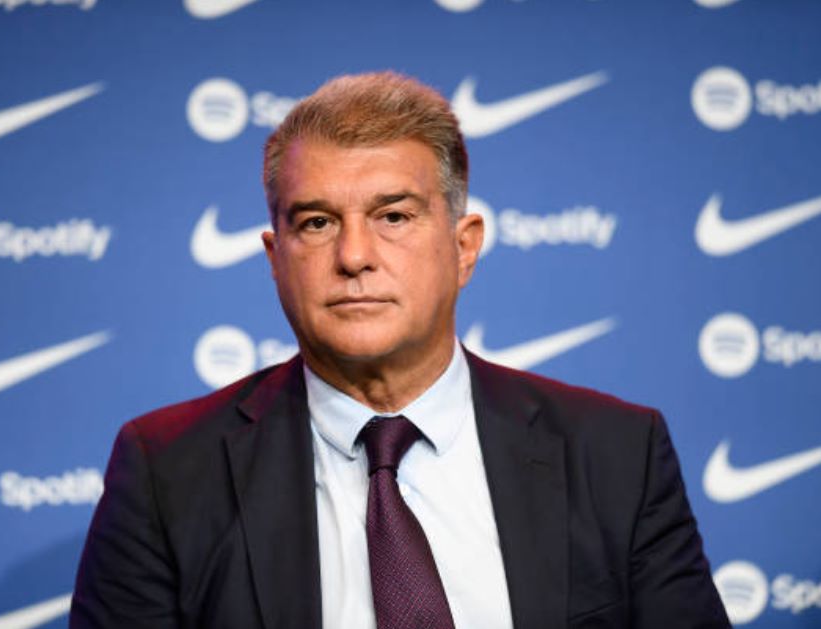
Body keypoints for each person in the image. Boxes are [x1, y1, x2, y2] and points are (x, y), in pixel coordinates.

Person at [71, 71, 730, 629]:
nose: (354, 256)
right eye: (317, 223)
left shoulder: (615, 453)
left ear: (463, 247)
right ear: (275, 258)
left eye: (393, 216)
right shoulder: (167, 472)